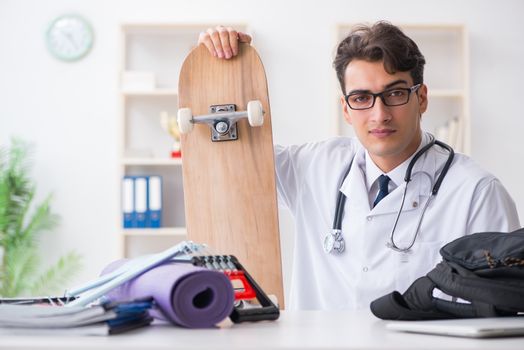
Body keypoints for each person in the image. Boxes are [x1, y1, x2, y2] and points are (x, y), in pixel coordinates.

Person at [197, 22, 521, 310]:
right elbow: (226, 159)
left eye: (394, 93)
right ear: (346, 108)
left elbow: (504, 309)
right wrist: (219, 67)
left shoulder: (476, 193)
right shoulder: (312, 167)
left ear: (421, 97)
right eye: (362, 98)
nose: (379, 114)